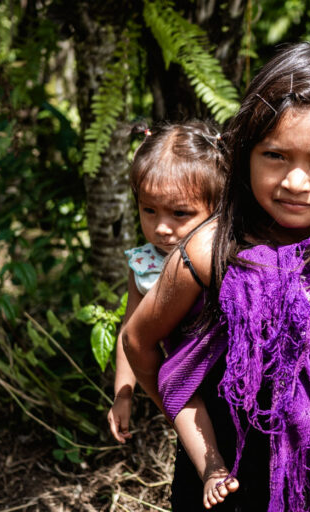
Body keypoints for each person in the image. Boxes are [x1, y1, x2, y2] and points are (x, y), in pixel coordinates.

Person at [123, 42, 310, 512]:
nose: (295, 182)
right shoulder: (211, 251)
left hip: (308, 486)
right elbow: (139, 341)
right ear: (245, 153)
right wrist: (194, 431)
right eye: (275, 155)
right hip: (216, 491)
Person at [106, 121, 225, 444]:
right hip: (182, 388)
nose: (161, 228)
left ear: (217, 208)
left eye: (179, 213)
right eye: (149, 210)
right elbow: (130, 332)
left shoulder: (225, 256)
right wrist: (124, 393)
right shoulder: (143, 266)